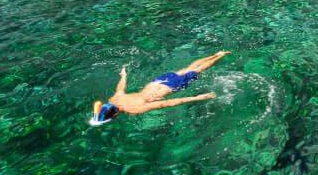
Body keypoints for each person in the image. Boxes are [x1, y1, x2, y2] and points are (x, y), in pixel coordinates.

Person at [90, 51, 229, 126]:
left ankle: (219, 57)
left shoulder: (134, 109)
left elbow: (166, 103)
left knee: (198, 71)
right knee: (188, 68)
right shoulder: (114, 98)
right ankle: (216, 54)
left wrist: (196, 98)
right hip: (156, 82)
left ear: (114, 115)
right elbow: (120, 88)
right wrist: (123, 75)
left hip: (170, 87)